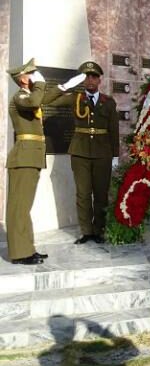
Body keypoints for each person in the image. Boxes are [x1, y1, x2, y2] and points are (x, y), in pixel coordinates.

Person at [45, 61, 119, 244]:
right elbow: (46, 101)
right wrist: (64, 86)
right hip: (80, 153)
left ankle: (99, 230)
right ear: (82, 80)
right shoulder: (74, 98)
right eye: (86, 77)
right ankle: (86, 231)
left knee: (101, 194)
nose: (90, 80)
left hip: (103, 153)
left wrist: (115, 155)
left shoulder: (108, 102)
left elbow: (114, 129)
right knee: (83, 194)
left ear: (99, 80)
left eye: (94, 77)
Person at [5, 58, 50, 265]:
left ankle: (27, 248)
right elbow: (34, 102)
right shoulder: (20, 97)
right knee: (19, 207)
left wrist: (61, 87)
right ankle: (19, 253)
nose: (34, 76)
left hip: (31, 157)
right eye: (30, 73)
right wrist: (40, 84)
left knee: (24, 207)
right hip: (23, 157)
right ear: (22, 79)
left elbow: (44, 98)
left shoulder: (31, 95)